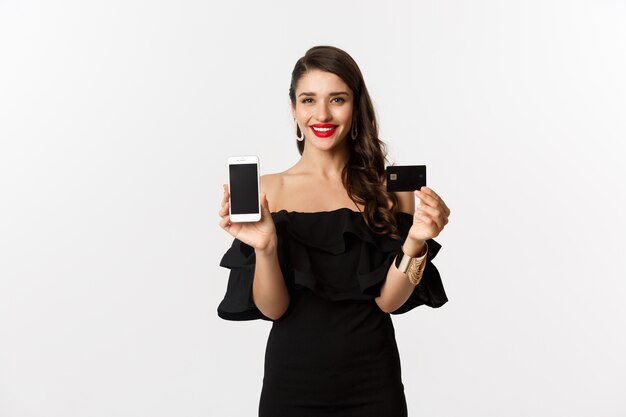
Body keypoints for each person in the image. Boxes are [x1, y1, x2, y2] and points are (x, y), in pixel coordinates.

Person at [217, 45, 451, 417]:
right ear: (293, 109)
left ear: (356, 107)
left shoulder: (392, 190)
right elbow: (273, 309)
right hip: (291, 385)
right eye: (309, 100)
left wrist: (417, 242)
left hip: (373, 383)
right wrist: (264, 247)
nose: (322, 114)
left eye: (337, 99)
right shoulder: (268, 191)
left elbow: (388, 302)